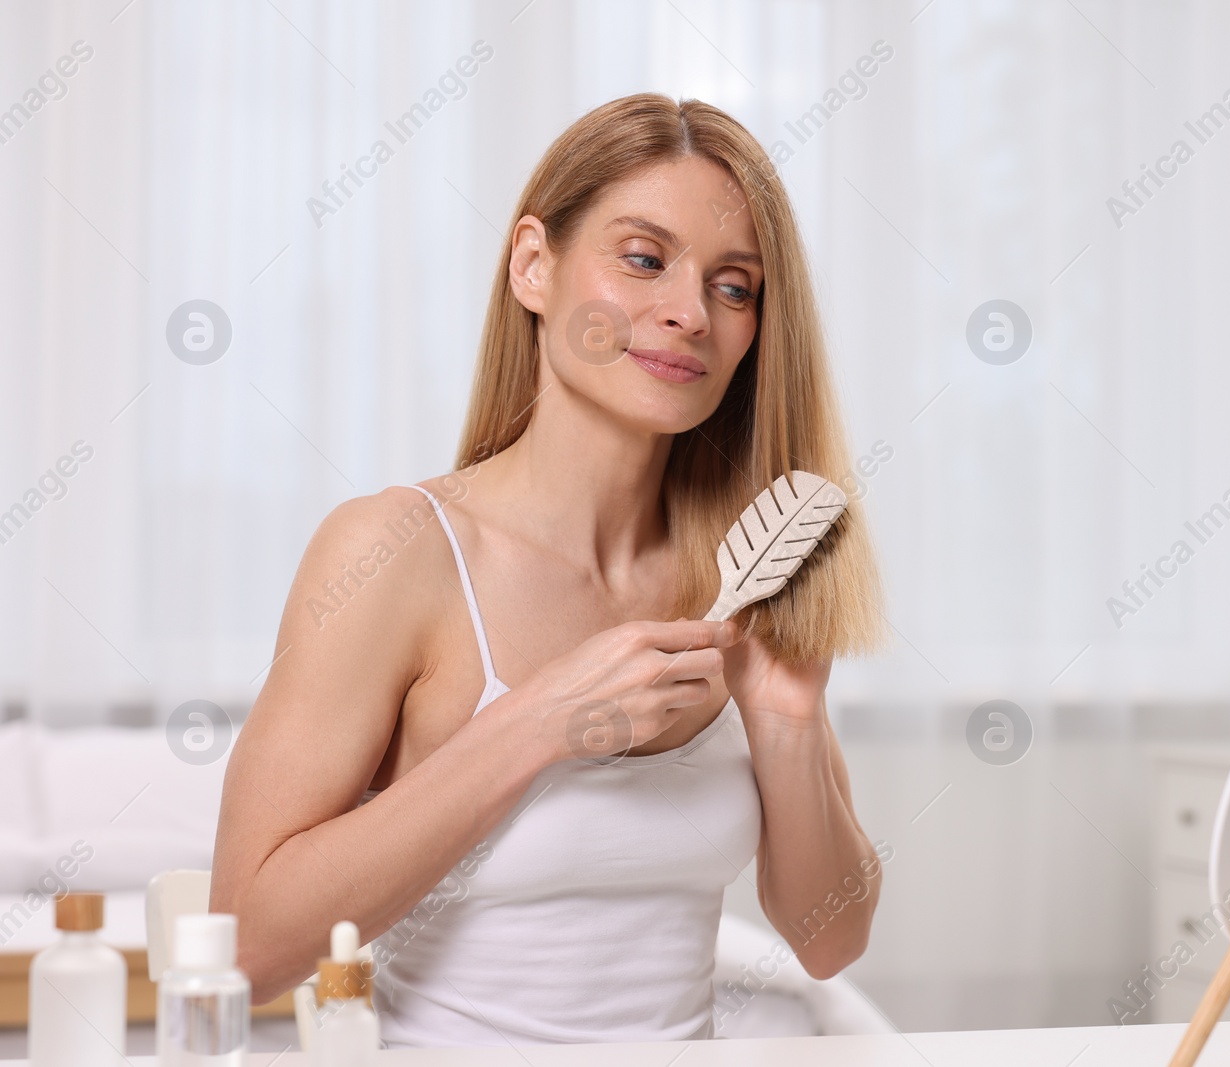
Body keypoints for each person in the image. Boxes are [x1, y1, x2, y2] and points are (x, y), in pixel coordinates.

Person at [209, 92, 886, 1047]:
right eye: (644, 258)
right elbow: (243, 949)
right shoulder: (395, 554)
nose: (690, 312)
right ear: (535, 264)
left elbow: (832, 938)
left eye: (734, 287)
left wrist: (787, 720)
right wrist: (539, 723)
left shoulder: (734, 576)